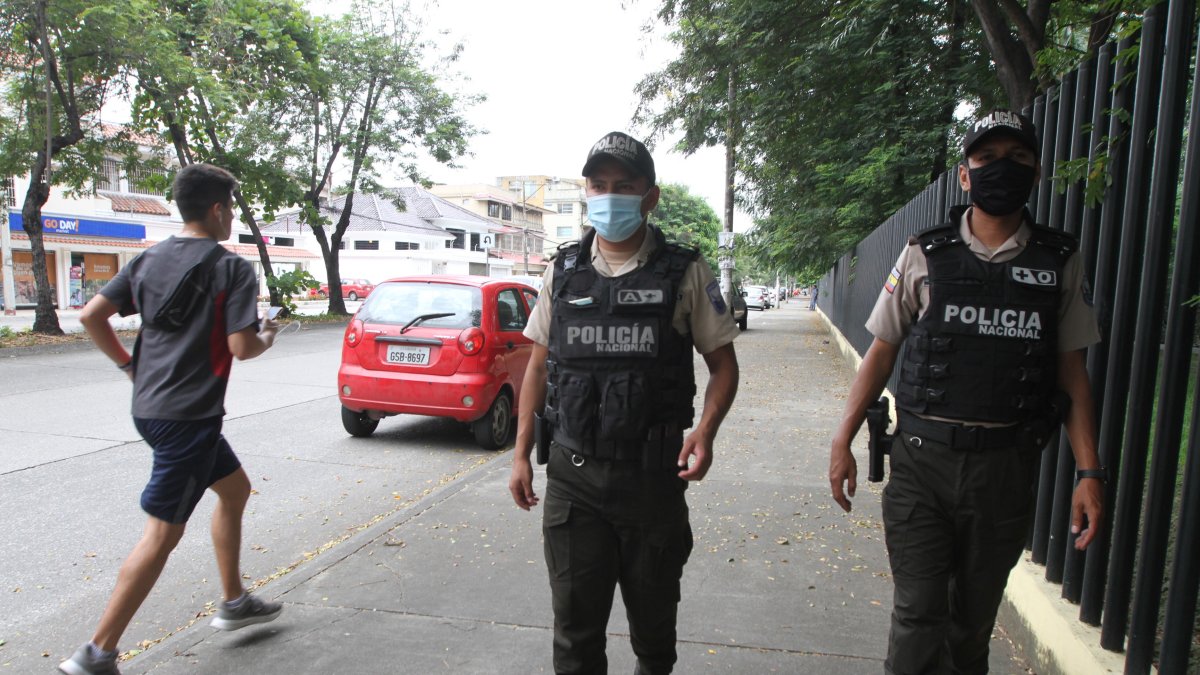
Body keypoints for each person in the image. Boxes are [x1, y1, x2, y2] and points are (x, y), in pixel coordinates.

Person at [827, 110, 1105, 675]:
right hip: (922, 466)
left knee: (971, 628)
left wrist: (1090, 472)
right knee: (917, 617)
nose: (1002, 168)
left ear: (1036, 172)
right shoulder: (925, 253)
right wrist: (842, 439)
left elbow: (1072, 372)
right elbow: (881, 351)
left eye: (1018, 158)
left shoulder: (1059, 261)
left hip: (1004, 471)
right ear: (964, 174)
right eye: (987, 158)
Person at [508, 131, 740, 674]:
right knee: (575, 638)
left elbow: (723, 366)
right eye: (599, 185)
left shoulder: (684, 271)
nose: (609, 196)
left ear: (649, 196)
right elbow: (537, 367)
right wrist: (520, 454)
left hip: (652, 482)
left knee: (654, 639)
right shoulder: (563, 271)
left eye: (624, 186)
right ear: (586, 192)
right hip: (574, 479)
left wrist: (704, 433)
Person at [62, 164, 281, 675]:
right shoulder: (231, 268)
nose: (233, 216)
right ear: (217, 209)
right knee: (162, 533)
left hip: (150, 408)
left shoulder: (148, 258)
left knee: (235, 489)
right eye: (232, 207)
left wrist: (128, 367)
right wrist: (268, 335)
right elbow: (241, 346)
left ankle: (234, 600)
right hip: (189, 418)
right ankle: (96, 652)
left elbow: (92, 315)